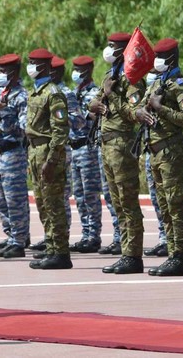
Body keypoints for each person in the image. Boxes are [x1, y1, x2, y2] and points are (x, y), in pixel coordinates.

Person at [135, 38, 183, 276]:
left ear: (169, 59)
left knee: (176, 205)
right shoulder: (157, 82)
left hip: (172, 151)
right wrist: (141, 110)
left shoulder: (179, 85)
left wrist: (162, 109)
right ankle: (172, 253)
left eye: (160, 57)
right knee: (164, 206)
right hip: (156, 151)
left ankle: (180, 256)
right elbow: (139, 107)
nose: (156, 62)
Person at [89, 32, 146, 275]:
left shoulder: (132, 79)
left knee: (127, 201)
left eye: (113, 47)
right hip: (107, 144)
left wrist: (112, 96)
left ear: (124, 50)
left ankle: (133, 256)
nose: (108, 50)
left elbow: (136, 113)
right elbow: (93, 102)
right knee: (116, 202)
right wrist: (93, 104)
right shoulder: (109, 76)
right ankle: (125, 251)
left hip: (122, 145)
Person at [25, 48, 71, 270]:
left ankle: (61, 252)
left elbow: (60, 130)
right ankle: (51, 248)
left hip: (47, 152)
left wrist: (52, 160)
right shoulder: (35, 91)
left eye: (33, 63)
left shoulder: (53, 93)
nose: (30, 66)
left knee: (53, 204)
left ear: (43, 66)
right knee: (43, 204)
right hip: (35, 152)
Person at [0, 54, 30, 258]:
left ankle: (19, 240)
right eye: (0, 71)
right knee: (2, 200)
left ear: (14, 72)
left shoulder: (22, 96)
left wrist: (5, 114)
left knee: (15, 200)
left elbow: (25, 127)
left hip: (13, 152)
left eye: (4, 71)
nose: (1, 75)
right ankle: (11, 235)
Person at [67, 56, 109, 253]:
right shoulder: (74, 92)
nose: (76, 72)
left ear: (90, 69)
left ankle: (94, 235)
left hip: (88, 147)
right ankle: (86, 234)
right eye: (75, 68)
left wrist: (83, 114)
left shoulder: (94, 93)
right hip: (74, 148)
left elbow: (94, 119)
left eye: (80, 68)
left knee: (91, 194)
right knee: (80, 195)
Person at [50, 56, 80, 243]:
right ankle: (51, 235)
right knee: (48, 197)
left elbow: (78, 120)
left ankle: (63, 236)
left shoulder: (66, 93)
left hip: (62, 148)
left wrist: (59, 120)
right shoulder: (44, 92)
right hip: (47, 148)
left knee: (61, 194)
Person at [142, 70, 168, 258]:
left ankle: (171, 242)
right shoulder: (148, 91)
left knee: (169, 200)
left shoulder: (174, 87)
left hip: (167, 150)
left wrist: (159, 107)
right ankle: (163, 238)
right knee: (156, 198)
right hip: (151, 148)